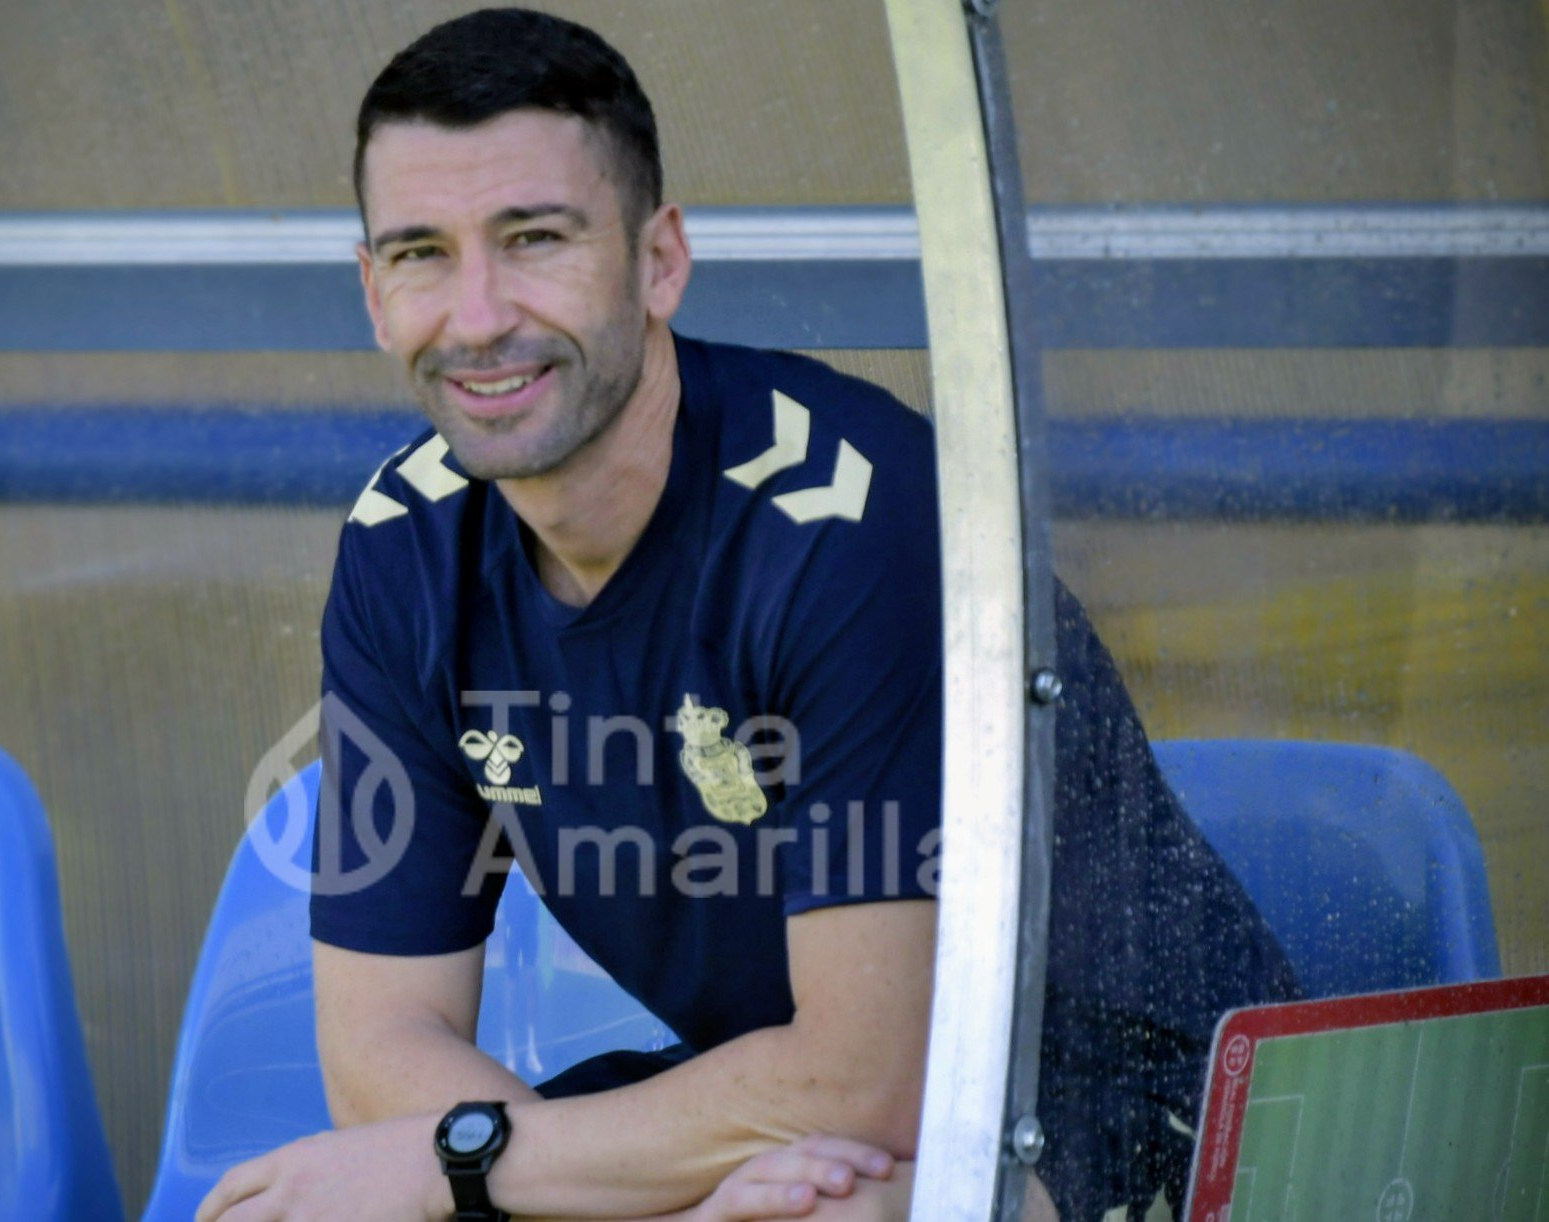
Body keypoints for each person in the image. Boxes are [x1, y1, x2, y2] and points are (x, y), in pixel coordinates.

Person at [196, 9, 1299, 1221]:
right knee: (287, 1207)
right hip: (781, 1108)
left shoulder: (847, 523)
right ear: (371, 290)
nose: (477, 315)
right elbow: (380, 1050)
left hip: (1129, 1105)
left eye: (534, 239)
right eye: (420, 254)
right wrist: (499, 1172)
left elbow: (868, 1080)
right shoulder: (404, 542)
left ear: (658, 261)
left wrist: (465, 1168)